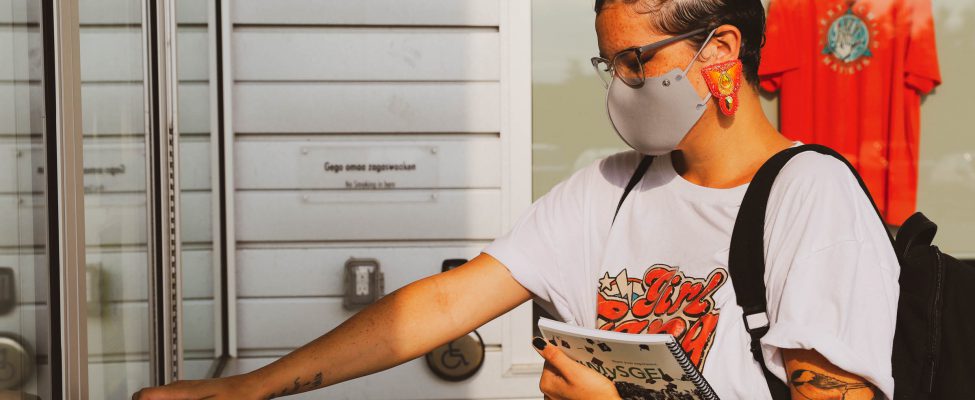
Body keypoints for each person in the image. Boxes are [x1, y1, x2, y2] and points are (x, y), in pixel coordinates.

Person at [134, 0, 900, 398]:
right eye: (610, 65)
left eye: (636, 61)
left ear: (721, 52)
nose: (621, 87)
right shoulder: (609, 186)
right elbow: (439, 307)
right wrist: (248, 389)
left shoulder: (810, 197)